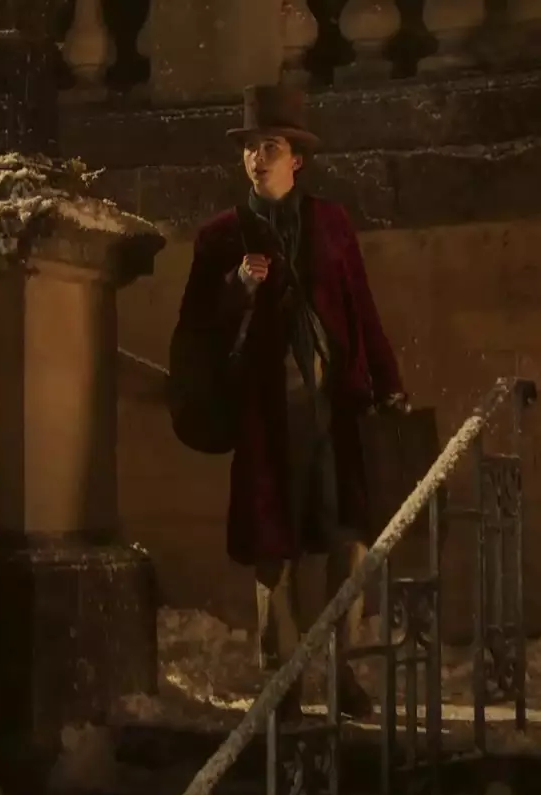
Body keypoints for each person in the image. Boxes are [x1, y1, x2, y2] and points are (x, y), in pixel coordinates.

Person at [170, 84, 408, 720]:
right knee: (273, 549)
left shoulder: (332, 224)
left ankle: (341, 669)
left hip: (336, 411)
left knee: (349, 538)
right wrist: (237, 287)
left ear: (296, 158)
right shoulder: (221, 237)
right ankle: (283, 682)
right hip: (267, 415)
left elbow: (361, 309)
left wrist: (388, 382)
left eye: (269, 146)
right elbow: (195, 328)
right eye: (249, 148)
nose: (257, 158)